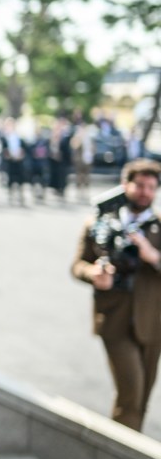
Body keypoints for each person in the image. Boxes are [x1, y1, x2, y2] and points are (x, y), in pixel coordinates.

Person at [72, 159, 161, 431]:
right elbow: (77, 265)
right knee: (131, 392)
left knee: (141, 398)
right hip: (114, 319)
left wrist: (153, 256)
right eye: (139, 185)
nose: (145, 192)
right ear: (125, 186)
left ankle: (127, 450)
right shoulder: (99, 223)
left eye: (151, 187)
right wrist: (94, 275)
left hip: (153, 323)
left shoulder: (158, 226)